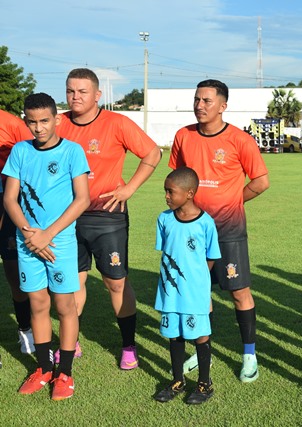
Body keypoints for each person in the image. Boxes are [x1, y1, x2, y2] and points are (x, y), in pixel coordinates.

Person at [57, 68, 162, 369]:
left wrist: (129, 188)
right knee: (72, 283)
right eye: (70, 91)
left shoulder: (117, 123)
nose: (75, 97)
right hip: (68, 217)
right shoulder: (59, 123)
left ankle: (128, 346)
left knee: (116, 283)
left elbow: (152, 153)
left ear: (97, 95)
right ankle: (70, 342)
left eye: (82, 91)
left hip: (107, 217)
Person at [169, 79, 269, 383]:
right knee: (199, 293)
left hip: (228, 229)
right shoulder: (183, 136)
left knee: (239, 291)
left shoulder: (240, 139)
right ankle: (204, 354)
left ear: (223, 106)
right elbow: (178, 179)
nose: (200, 105)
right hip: (192, 231)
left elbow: (261, 182)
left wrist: (233, 200)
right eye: (197, 99)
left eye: (207, 101)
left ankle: (249, 354)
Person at [4, 93, 90, 400]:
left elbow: (83, 199)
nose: (38, 128)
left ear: (56, 119)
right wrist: (30, 235)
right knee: (37, 304)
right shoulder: (20, 151)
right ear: (25, 121)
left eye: (44, 121)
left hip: (60, 242)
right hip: (27, 241)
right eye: (32, 122)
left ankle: (64, 372)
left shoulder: (72, 151)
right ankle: (43, 368)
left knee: (65, 307)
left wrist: (47, 234)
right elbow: (9, 199)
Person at [153, 167, 221, 405]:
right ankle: (177, 380)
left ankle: (204, 384)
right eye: (165, 191)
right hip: (169, 292)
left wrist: (198, 281)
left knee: (200, 335)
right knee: (174, 334)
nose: (166, 196)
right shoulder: (164, 219)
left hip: (194, 293)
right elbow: (167, 251)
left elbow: (210, 258)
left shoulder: (205, 223)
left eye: (171, 192)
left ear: (190, 193)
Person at [0, 109, 35, 355]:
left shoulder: (11, 123)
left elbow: (33, 157)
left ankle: (25, 329)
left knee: (14, 272)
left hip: (8, 201)